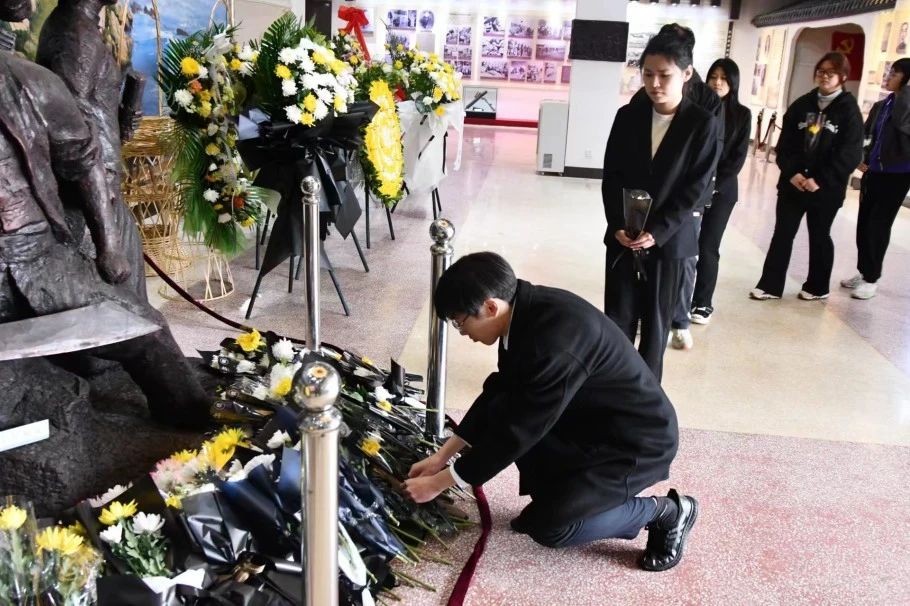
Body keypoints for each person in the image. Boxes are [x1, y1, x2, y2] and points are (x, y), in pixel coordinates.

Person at [402, 252, 697, 572]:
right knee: (505, 411)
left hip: (635, 443)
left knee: (552, 527)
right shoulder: (522, 311)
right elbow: (501, 391)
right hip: (587, 424)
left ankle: (667, 511)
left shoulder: (556, 340)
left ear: (490, 307)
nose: (464, 334)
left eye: (461, 323)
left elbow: (519, 431)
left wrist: (442, 481)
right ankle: (563, 499)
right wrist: (441, 457)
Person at [0, 0, 211, 427]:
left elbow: (85, 150)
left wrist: (109, 246)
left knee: (137, 321)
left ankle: (191, 424)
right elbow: (84, 156)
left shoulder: (32, 77)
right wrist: (107, 245)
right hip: (29, 257)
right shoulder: (58, 51)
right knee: (140, 330)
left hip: (36, 254)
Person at [602, 31, 720, 379]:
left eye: (664, 75)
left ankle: (645, 395)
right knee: (617, 321)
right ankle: (613, 389)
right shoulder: (628, 117)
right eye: (648, 74)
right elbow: (612, 176)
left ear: (686, 74)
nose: (654, 83)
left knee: (655, 327)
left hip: (669, 243)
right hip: (624, 238)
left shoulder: (702, 124)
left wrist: (657, 231)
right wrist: (617, 224)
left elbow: (695, 189)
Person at [751, 52, 864, 301]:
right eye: (821, 71)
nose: (824, 77)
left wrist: (819, 179)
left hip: (825, 189)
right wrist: (792, 173)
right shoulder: (802, 104)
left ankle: (817, 287)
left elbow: (850, 153)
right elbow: (785, 145)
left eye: (831, 73)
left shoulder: (849, 111)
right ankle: (770, 285)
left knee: (819, 234)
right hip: (793, 185)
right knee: (783, 233)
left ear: (843, 77)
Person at [840, 59, 910, 300]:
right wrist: (862, 155)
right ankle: (864, 271)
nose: (888, 77)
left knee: (878, 225)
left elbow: (903, 124)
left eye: (894, 74)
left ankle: (872, 278)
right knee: (864, 223)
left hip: (898, 174)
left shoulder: (904, 107)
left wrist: (905, 94)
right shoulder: (882, 105)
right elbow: (867, 133)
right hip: (874, 172)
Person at [690, 59, 752, 324]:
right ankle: (677, 299)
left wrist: (713, 185)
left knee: (708, 246)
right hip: (692, 189)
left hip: (722, 191)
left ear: (733, 82)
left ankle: (702, 303)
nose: (717, 83)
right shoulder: (695, 108)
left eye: (724, 78)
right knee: (684, 245)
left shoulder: (742, 114)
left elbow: (737, 158)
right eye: (713, 76)